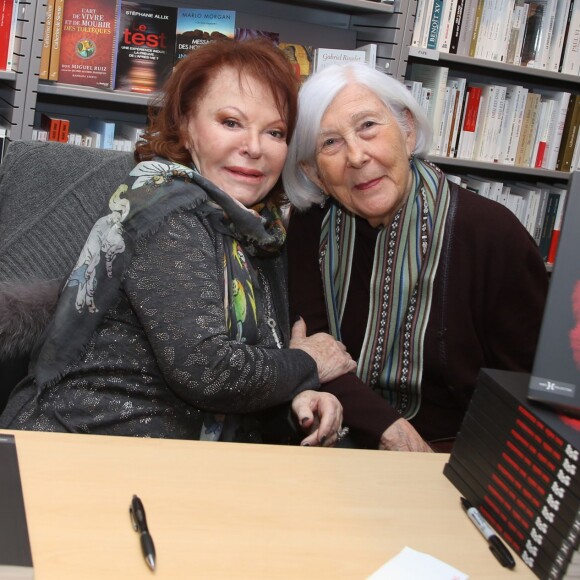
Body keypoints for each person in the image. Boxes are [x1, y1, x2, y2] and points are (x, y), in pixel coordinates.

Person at [0, 39, 357, 445]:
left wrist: (300, 396)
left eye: (274, 132)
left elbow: (256, 363)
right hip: (80, 448)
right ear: (187, 126)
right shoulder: (169, 213)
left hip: (175, 458)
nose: (254, 148)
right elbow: (206, 371)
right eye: (231, 122)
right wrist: (309, 361)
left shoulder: (262, 234)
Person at [282, 63, 549, 452]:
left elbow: (527, 388)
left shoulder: (491, 233)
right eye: (330, 143)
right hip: (334, 442)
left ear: (407, 131)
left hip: (455, 456)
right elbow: (312, 351)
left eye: (368, 126)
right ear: (315, 173)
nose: (357, 156)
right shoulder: (309, 229)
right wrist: (387, 427)